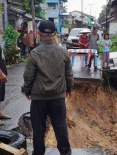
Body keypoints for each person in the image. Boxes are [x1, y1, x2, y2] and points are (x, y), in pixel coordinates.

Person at [22, 20, 73, 155]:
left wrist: (27, 90)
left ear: (39, 34)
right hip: (58, 97)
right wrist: (69, 88)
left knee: (38, 128)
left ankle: (38, 153)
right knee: (60, 126)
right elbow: (68, 73)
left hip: (39, 98)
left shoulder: (35, 53)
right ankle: (65, 152)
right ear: (55, 33)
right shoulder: (63, 52)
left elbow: (28, 76)